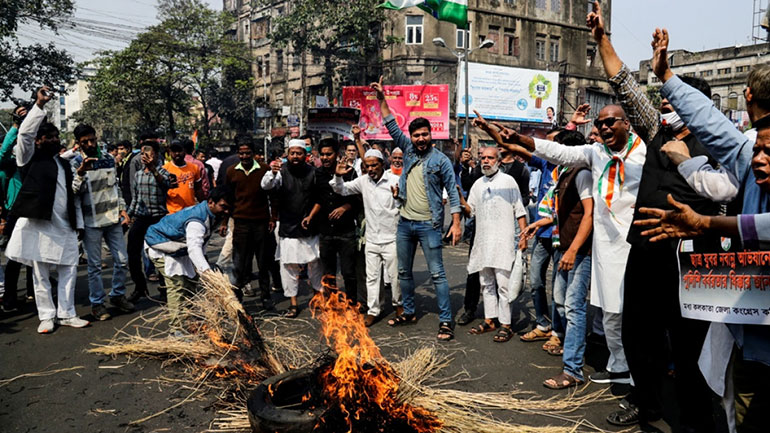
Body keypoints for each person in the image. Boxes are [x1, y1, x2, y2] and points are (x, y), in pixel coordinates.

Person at [587, 5, 740, 427]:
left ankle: (695, 416)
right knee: (640, 336)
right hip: (647, 254)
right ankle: (647, 403)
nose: (670, 107)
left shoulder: (723, 151)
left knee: (692, 346)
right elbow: (622, 83)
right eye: (669, 100)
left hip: (695, 262)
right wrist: (602, 38)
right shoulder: (657, 130)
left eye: (679, 102)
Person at [648, 27, 770, 433]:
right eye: (758, 149)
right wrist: (666, 76)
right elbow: (711, 122)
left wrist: (706, 223)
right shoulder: (747, 155)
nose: (760, 159)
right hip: (751, 341)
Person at [498, 103, 647, 389]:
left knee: (636, 314)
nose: (604, 128)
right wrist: (520, 138)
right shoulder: (596, 153)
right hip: (605, 248)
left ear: (627, 124)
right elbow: (557, 151)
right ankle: (619, 369)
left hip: (638, 245)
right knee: (611, 314)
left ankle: (641, 375)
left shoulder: (645, 152)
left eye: (611, 122)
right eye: (600, 124)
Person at [369, 76, 462, 341]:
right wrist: (381, 98)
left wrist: (455, 223)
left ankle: (446, 321)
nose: (420, 139)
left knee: (437, 274)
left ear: (432, 135)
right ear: (411, 137)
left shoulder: (442, 161)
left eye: (424, 134)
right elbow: (390, 123)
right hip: (405, 223)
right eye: (416, 135)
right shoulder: (407, 149)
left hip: (430, 225)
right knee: (403, 272)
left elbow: (454, 194)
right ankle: (408, 312)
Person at [5, 86, 88, 334]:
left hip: (65, 225)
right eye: (47, 137)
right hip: (39, 225)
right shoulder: (28, 159)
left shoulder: (63, 164)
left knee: (69, 269)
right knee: (40, 273)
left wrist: (79, 224)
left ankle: (67, 313)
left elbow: (73, 196)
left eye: (55, 137)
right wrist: (38, 106)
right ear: (38, 141)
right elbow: (25, 136)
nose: (53, 141)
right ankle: (47, 316)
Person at [458, 146, 528, 343]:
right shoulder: (478, 184)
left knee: (503, 285)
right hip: (483, 242)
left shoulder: (508, 182)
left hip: (504, 241)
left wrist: (523, 236)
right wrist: (460, 199)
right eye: (483, 158)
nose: (486, 161)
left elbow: (520, 211)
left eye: (490, 158)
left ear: (498, 160)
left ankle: (506, 325)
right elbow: (469, 211)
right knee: (486, 283)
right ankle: (490, 320)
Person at [145, 187, 231, 334]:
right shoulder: (196, 221)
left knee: (191, 282)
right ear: (211, 202)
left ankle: (189, 320)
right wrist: (207, 272)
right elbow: (194, 248)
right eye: (223, 207)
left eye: (229, 208)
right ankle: (176, 330)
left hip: (180, 247)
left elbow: (201, 244)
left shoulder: (213, 214)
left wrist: (201, 267)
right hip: (161, 245)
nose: (226, 211)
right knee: (177, 285)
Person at [331, 148, 402, 326]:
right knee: (372, 277)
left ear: (382, 165)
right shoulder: (363, 181)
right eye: (367, 166)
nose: (370, 169)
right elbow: (341, 190)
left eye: (374, 165)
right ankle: (374, 310)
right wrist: (338, 175)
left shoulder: (395, 180)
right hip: (371, 238)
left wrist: (399, 197)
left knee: (395, 277)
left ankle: (399, 306)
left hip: (392, 237)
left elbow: (404, 202)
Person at [70, 124, 134, 321]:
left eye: (92, 140)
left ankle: (117, 295)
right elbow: (73, 192)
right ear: (78, 143)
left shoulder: (108, 159)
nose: (90, 144)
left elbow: (116, 188)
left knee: (122, 261)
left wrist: (123, 209)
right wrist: (80, 173)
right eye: (85, 142)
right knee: (95, 266)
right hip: (91, 222)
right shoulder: (74, 163)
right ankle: (97, 304)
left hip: (113, 218)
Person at [261, 139, 323, 318]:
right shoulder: (280, 172)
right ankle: (294, 304)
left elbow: (319, 198)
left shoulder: (314, 173)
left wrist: (310, 217)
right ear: (288, 155)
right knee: (288, 266)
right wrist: (272, 173)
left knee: (315, 263)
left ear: (306, 155)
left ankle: (317, 299)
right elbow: (266, 186)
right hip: (288, 225)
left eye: (299, 153)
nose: (295, 156)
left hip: (310, 225)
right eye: (292, 153)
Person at [223, 137, 276, 309]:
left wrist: (273, 218)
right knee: (239, 263)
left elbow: (273, 197)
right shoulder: (231, 171)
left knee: (263, 263)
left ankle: (266, 297)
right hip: (241, 223)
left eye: (248, 153)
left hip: (261, 223)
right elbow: (227, 199)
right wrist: (224, 222)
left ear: (253, 154)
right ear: (238, 154)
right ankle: (238, 298)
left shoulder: (264, 170)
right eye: (241, 153)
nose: (244, 156)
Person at [314, 138, 360, 305]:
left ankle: (352, 303)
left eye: (329, 154)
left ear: (337, 154)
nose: (325, 157)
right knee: (328, 272)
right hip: (325, 231)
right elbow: (316, 199)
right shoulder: (317, 174)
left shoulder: (349, 172)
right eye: (323, 154)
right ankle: (332, 303)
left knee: (348, 272)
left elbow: (359, 198)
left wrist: (345, 207)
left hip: (346, 231)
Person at [126, 140, 171, 302]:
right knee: (132, 252)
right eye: (143, 154)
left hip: (158, 219)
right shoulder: (138, 175)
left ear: (157, 155)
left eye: (149, 153)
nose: (146, 157)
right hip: (141, 218)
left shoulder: (163, 172)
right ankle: (139, 287)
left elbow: (166, 185)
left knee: (160, 255)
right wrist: (128, 215)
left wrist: (153, 169)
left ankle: (165, 289)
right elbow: (135, 200)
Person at [0, 104, 34, 312]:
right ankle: (10, 298)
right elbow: (3, 153)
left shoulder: (34, 151)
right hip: (15, 209)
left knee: (35, 254)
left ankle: (33, 290)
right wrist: (15, 125)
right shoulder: (10, 163)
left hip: (35, 208)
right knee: (14, 254)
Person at [164, 140, 204, 214]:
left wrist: (204, 206)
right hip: (172, 212)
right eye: (174, 151)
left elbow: (199, 189)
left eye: (180, 150)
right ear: (170, 152)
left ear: (184, 151)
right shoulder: (165, 169)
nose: (177, 153)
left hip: (190, 210)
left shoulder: (194, 168)